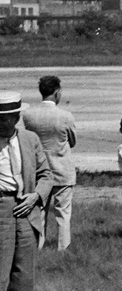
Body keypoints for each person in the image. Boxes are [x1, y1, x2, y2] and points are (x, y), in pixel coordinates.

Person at [0, 92, 57, 291]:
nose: (4, 123)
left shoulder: (29, 139)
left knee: (23, 276)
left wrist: (36, 196)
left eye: (8, 118)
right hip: (1, 209)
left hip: (27, 211)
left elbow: (46, 174)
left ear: (17, 117)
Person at [22, 75, 76, 252]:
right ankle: (63, 249)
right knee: (63, 214)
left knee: (40, 212)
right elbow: (72, 141)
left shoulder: (28, 115)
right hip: (62, 170)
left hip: (39, 172)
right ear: (57, 93)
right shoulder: (66, 116)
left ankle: (37, 247)